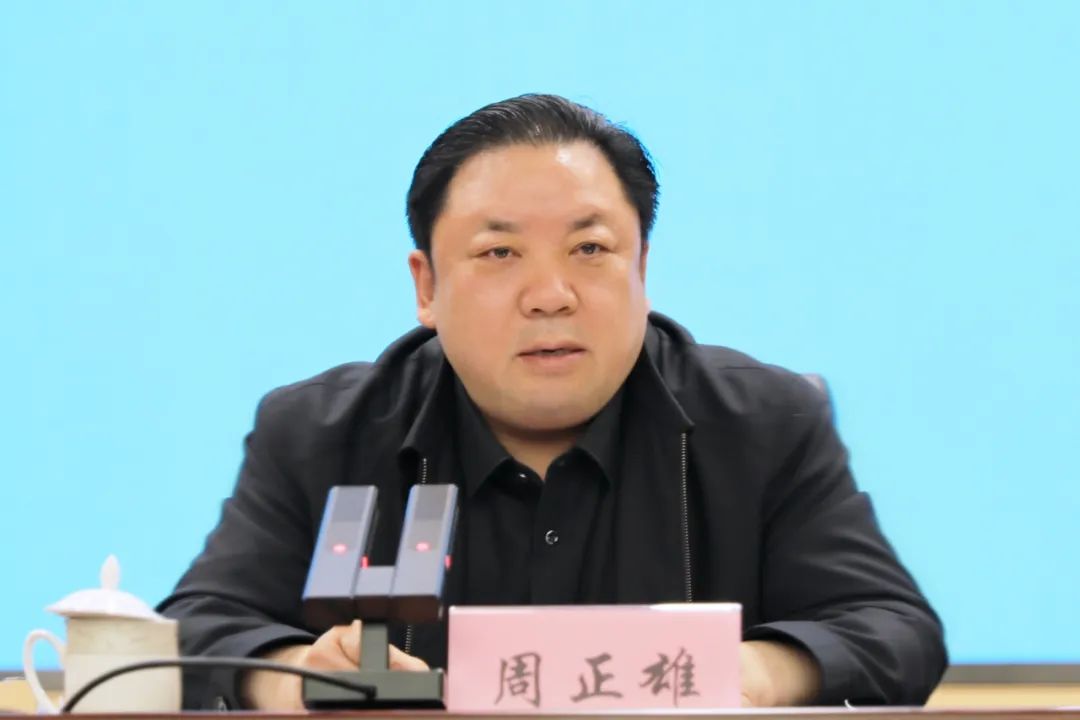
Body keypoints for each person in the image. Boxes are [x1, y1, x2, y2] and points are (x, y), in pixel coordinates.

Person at [158, 93, 947, 710]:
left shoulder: (764, 423)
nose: (550, 295)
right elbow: (192, 632)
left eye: (590, 249)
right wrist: (300, 677)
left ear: (642, 269)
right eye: (499, 252)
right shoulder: (318, 432)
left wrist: (748, 673)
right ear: (426, 287)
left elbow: (894, 633)